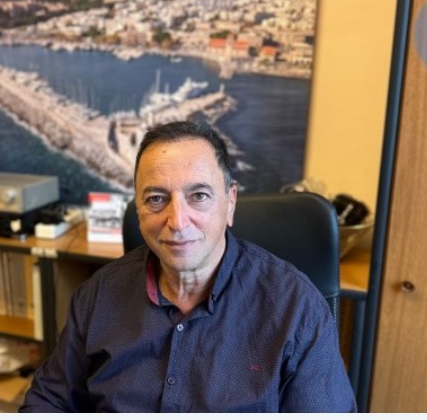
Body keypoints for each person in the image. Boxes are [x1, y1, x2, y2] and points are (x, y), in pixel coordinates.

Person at [20, 120, 356, 412]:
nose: (178, 221)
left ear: (230, 203)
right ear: (138, 210)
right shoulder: (97, 295)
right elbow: (48, 401)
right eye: (156, 199)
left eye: (199, 196)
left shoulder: (297, 309)